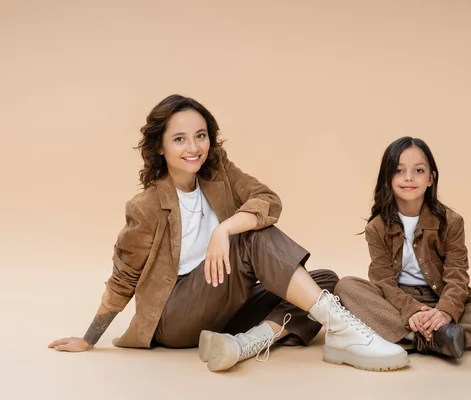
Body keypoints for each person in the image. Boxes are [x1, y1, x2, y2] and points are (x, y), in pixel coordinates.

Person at [48, 94, 409, 372]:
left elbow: (269, 200)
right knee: (251, 237)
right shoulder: (145, 206)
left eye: (200, 135)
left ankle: (242, 345)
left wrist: (224, 228)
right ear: (160, 146)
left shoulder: (218, 171)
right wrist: (89, 338)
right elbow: (123, 279)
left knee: (325, 279)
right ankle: (345, 334)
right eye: (180, 139)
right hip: (175, 317)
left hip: (223, 306)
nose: (194, 148)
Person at [334, 136, 471, 359]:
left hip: (440, 297)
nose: (409, 178)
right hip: (397, 301)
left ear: (431, 178)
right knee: (345, 288)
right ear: (387, 178)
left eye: (419, 171)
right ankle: (440, 339)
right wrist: (409, 309)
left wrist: (445, 312)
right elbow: (383, 281)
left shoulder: (452, 222)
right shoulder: (377, 227)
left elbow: (457, 275)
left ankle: (412, 337)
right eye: (399, 171)